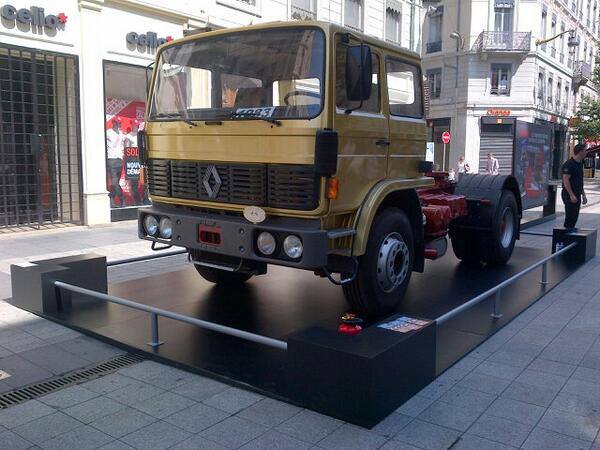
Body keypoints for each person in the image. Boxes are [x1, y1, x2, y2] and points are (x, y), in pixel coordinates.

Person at [561, 143, 588, 230]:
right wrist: (571, 195)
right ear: (580, 152)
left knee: (574, 217)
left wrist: (583, 195)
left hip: (577, 194)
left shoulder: (579, 164)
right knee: (570, 217)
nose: (586, 152)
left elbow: (579, 181)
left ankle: (570, 234)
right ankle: (565, 237)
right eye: (585, 150)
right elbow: (566, 180)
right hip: (569, 194)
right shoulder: (569, 164)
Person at [106, 117, 125, 207]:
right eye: (117, 123)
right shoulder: (108, 133)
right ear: (113, 123)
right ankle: (122, 198)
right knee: (114, 182)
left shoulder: (121, 134)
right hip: (111, 159)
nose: (119, 125)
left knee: (116, 182)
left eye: (120, 123)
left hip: (119, 160)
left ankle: (111, 201)